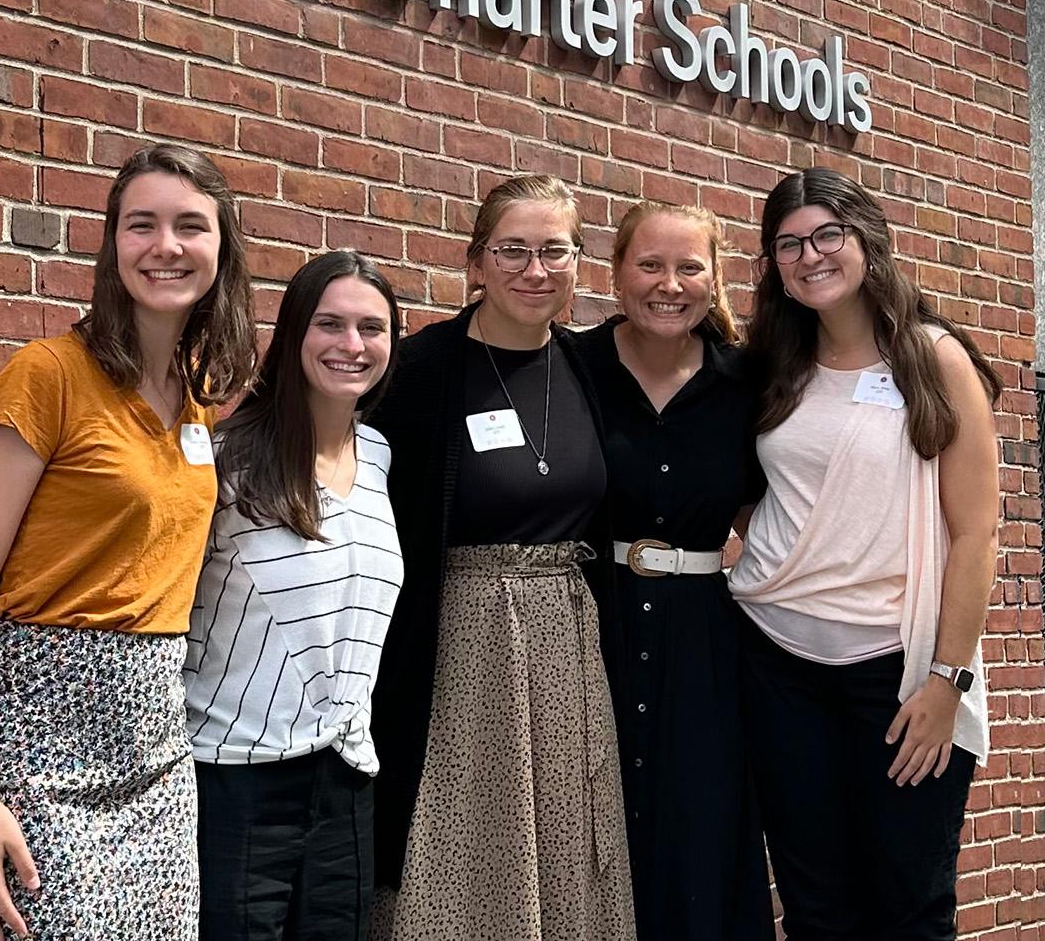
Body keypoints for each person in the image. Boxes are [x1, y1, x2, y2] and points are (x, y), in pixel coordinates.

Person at [0, 143, 259, 941]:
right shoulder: (47, 376)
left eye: (190, 226)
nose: (165, 246)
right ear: (112, 244)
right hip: (39, 756)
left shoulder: (201, 397)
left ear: (222, 246)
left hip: (158, 756)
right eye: (140, 225)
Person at [729, 167, 1005, 941]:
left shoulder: (932, 358)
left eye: (826, 235)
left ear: (867, 241)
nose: (809, 255)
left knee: (909, 904)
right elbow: (762, 493)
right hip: (776, 663)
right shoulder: (774, 367)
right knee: (816, 907)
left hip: (898, 675)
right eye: (787, 244)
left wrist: (948, 681)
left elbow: (978, 535)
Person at [366, 174, 635, 941]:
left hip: (570, 651)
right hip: (462, 652)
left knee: (565, 848)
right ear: (476, 262)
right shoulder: (418, 371)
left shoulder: (590, 368)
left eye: (555, 250)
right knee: (462, 839)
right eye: (511, 249)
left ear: (579, 264)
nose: (534, 269)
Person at [186, 250, 405, 941]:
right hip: (235, 780)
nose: (352, 345)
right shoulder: (226, 459)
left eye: (371, 328)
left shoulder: (378, 455)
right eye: (330, 324)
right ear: (292, 336)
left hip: (345, 780)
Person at [570, 201, 771, 941]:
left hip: (704, 644)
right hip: (590, 630)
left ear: (714, 279)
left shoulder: (747, 384)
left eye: (690, 267)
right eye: (649, 264)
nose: (669, 283)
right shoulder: (571, 368)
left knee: (700, 837)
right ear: (617, 274)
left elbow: (767, 498)